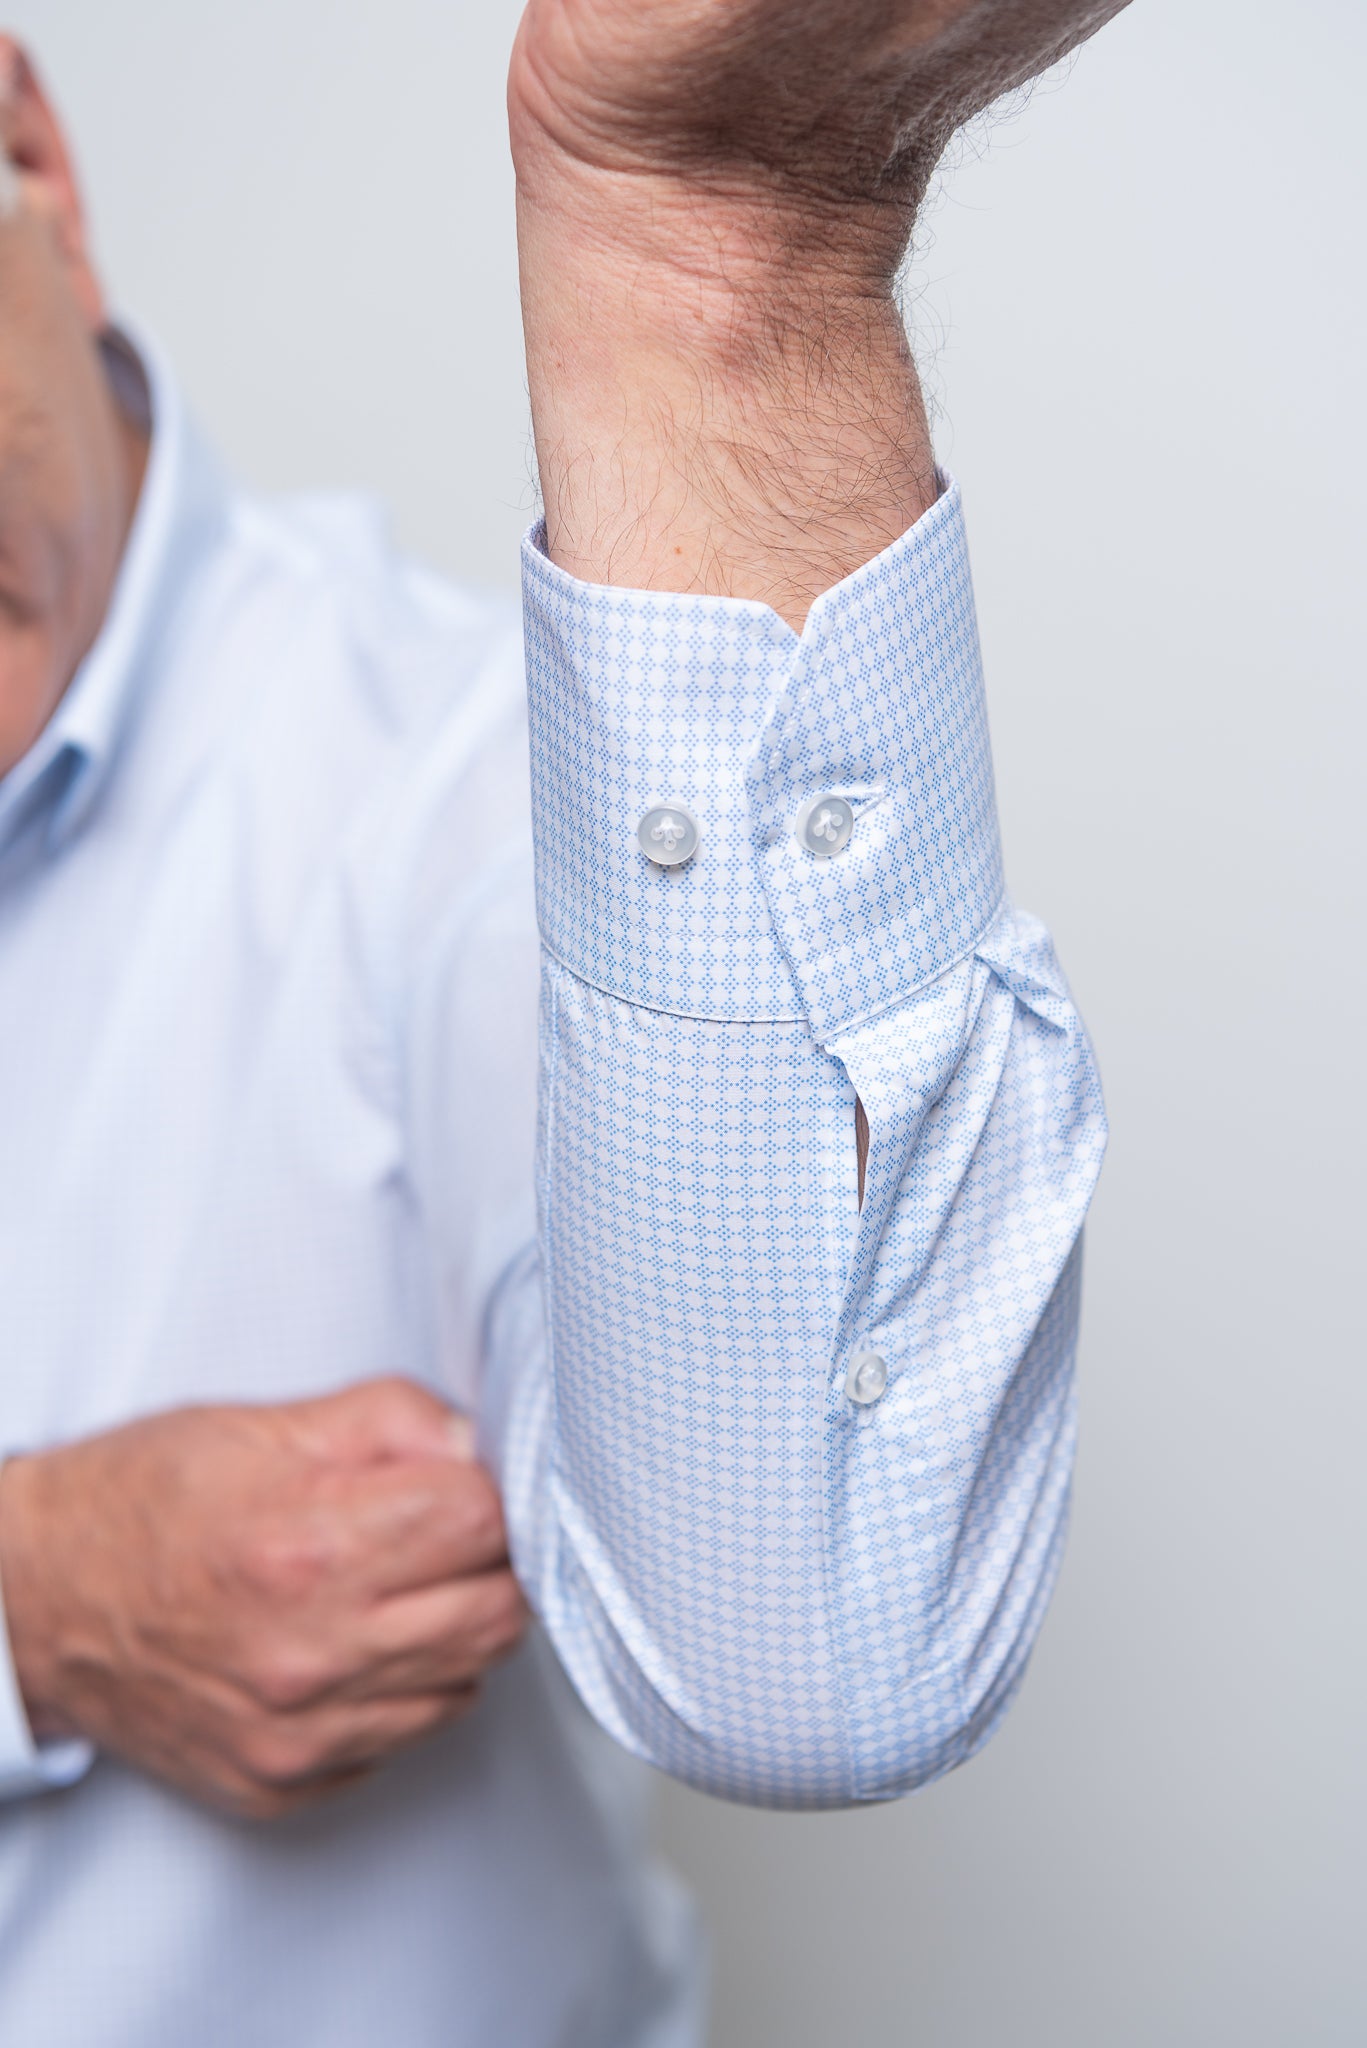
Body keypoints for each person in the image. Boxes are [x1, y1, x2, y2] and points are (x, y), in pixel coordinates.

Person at [0, 1, 1121, 2041]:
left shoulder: (443, 797)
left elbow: (821, 1647)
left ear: (32, 163)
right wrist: (36, 1591)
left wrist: (716, 256)